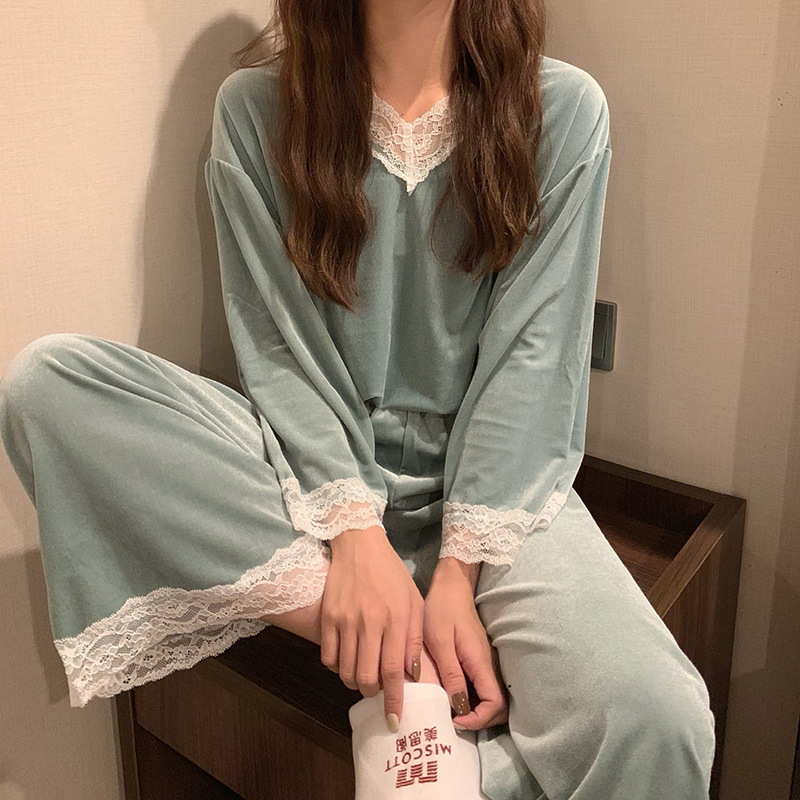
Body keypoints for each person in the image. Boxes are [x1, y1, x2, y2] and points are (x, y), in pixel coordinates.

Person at [0, 0, 717, 797]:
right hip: (308, 478)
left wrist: (459, 571)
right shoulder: (258, 110)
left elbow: (535, 362)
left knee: (658, 719)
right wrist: (354, 536)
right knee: (49, 386)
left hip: (495, 495)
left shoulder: (563, 109)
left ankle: (431, 710)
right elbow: (280, 352)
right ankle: (407, 659)